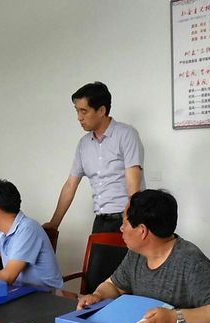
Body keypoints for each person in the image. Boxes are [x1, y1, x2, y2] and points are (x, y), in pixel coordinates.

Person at [77, 189, 210, 323]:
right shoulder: (136, 254)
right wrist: (97, 295)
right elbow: (114, 286)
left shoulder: (190, 260)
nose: (121, 228)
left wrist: (173, 318)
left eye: (124, 223)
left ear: (142, 231)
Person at [44, 81, 144, 234]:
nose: (79, 117)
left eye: (84, 111)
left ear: (102, 110)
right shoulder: (83, 144)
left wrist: (130, 222)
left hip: (127, 218)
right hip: (100, 221)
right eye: (77, 111)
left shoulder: (126, 135)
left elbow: (133, 186)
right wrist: (54, 223)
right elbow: (70, 185)